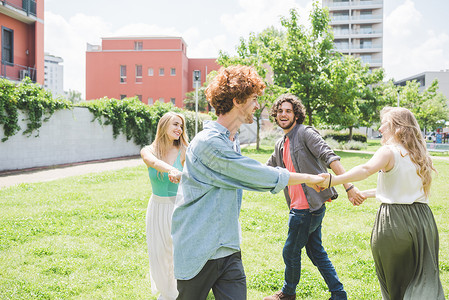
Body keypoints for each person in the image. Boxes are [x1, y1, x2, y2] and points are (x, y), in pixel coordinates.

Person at [170, 65, 325, 300]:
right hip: (199, 248)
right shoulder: (209, 142)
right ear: (237, 100)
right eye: (253, 99)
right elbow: (256, 175)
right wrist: (309, 178)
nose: (257, 105)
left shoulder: (232, 140)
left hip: (228, 245)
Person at [317, 107, 445, 300]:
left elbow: (366, 169)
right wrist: (364, 194)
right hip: (424, 223)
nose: (380, 128)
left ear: (396, 127)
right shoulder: (420, 156)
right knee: (423, 280)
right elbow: (400, 189)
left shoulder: (389, 152)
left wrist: (332, 180)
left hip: (395, 223)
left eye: (384, 123)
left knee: (395, 285)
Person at [263, 94, 365, 300]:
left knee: (290, 251)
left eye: (288, 111)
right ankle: (339, 294)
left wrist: (349, 186)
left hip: (307, 208)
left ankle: (288, 293)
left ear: (296, 114)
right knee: (315, 252)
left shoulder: (305, 133)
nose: (283, 114)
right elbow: (264, 169)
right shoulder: (280, 143)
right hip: (298, 207)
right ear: (275, 114)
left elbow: (330, 157)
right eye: (280, 111)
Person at [140, 112, 189, 300]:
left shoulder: (185, 149)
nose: (179, 129)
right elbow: (152, 162)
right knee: (159, 253)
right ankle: (166, 290)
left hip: (178, 205)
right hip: (157, 207)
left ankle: (176, 293)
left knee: (177, 252)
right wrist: (172, 170)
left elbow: (195, 173)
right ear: (164, 125)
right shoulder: (148, 150)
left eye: (181, 126)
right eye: (175, 124)